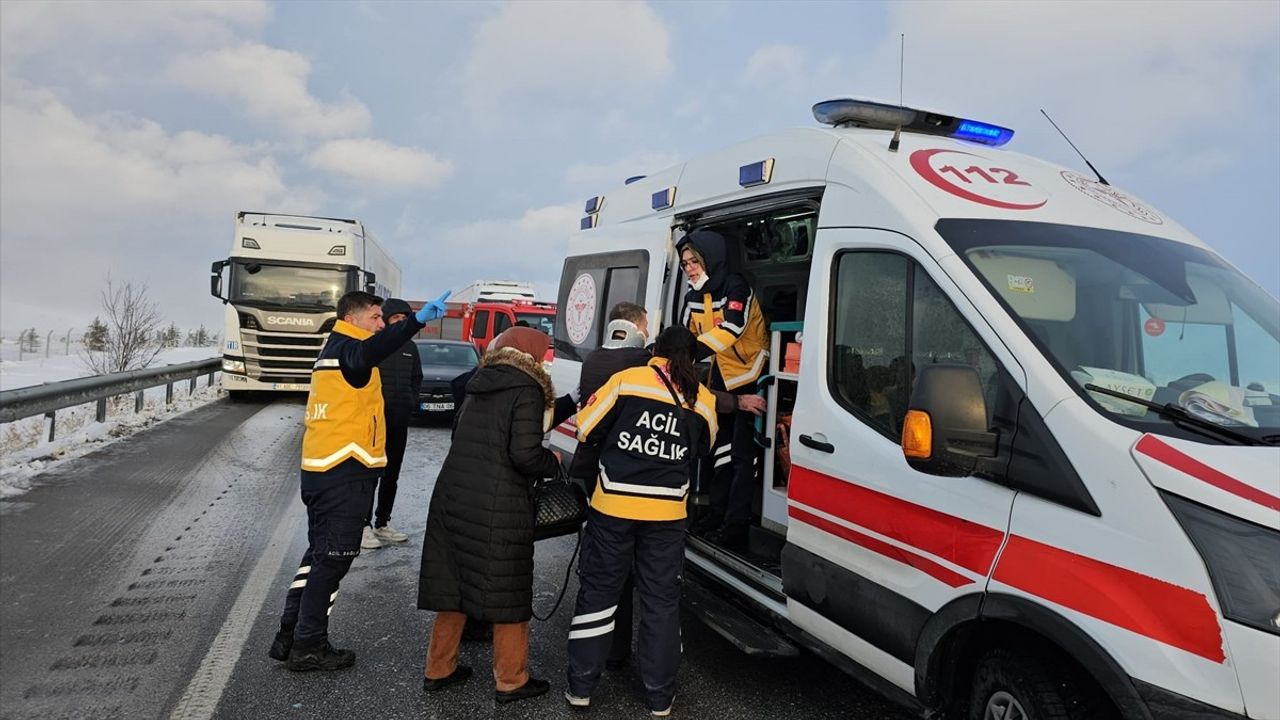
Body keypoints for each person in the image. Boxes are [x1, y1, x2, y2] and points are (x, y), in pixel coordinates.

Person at [268, 289, 450, 672]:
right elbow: (375, 349)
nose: (381, 325)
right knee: (334, 560)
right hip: (343, 473)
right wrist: (415, 322)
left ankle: (291, 633)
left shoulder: (335, 348)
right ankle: (308, 645)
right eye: (376, 317)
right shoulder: (350, 351)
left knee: (318, 556)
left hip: (324, 471)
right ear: (353, 318)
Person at [565, 326, 718, 717]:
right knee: (661, 602)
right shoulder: (703, 399)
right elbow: (704, 447)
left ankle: (582, 687)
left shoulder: (627, 380)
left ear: (655, 350)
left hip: (614, 507)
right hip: (668, 515)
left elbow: (584, 426)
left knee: (599, 594)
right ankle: (659, 697)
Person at [417, 326, 561, 703]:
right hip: (499, 502)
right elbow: (525, 453)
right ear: (531, 352)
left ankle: (439, 668)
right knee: (506, 590)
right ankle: (511, 680)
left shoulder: (478, 382)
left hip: (455, 495)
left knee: (454, 586)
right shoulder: (527, 388)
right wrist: (553, 462)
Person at [678, 230, 769, 550]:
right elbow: (684, 335)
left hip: (753, 374)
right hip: (721, 378)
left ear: (710, 260)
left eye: (694, 261)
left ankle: (735, 526)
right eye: (685, 263)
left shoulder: (736, 286)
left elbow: (732, 327)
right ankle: (715, 514)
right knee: (719, 452)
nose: (689, 268)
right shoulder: (692, 296)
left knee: (744, 458)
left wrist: (690, 353)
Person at [362, 298, 421, 550]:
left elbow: (416, 379)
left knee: (391, 474)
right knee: (369, 474)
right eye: (396, 318)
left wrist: (410, 402)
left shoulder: (410, 347)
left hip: (399, 419)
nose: (400, 322)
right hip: (373, 421)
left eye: (404, 319)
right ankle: (363, 527)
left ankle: (382, 523)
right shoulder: (374, 344)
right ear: (386, 319)